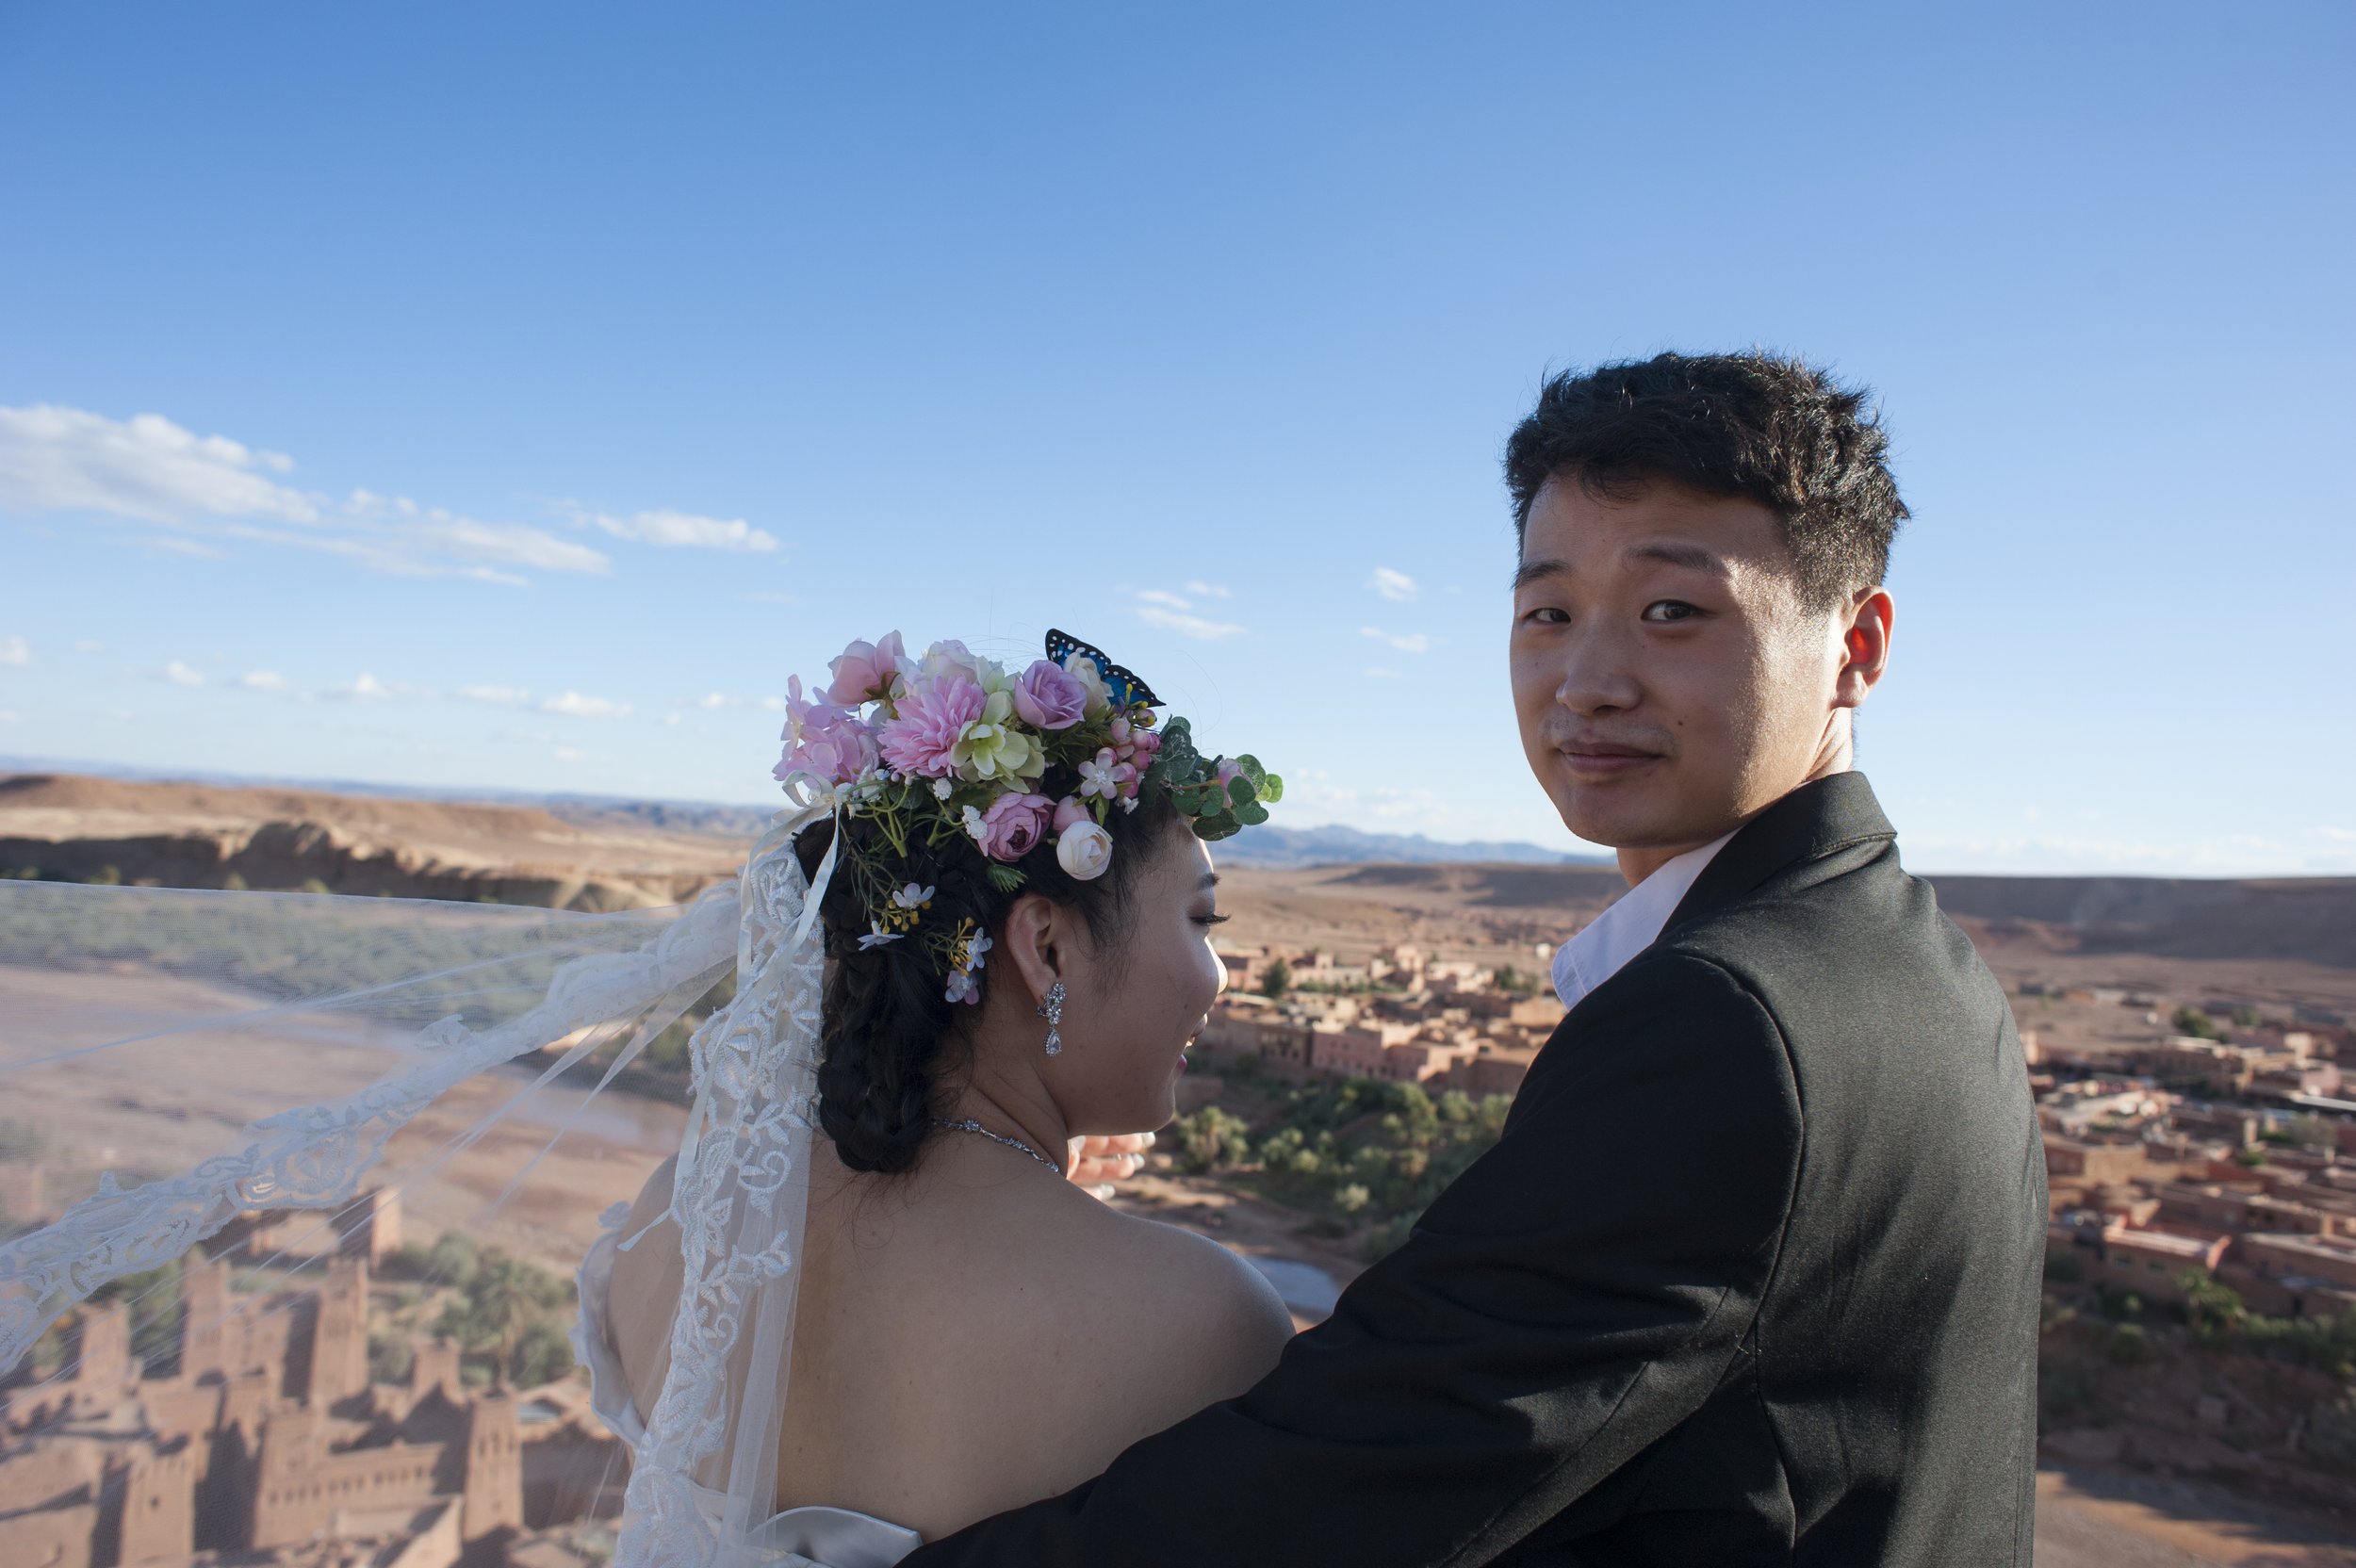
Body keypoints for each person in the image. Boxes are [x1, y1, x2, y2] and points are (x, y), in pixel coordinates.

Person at [899, 352, 2047, 1566]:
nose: (1587, 682)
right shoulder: (1912, 967)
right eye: (1548, 612)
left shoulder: (1726, 1027)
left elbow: (1334, 1485)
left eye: (1674, 611)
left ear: (1857, 644)